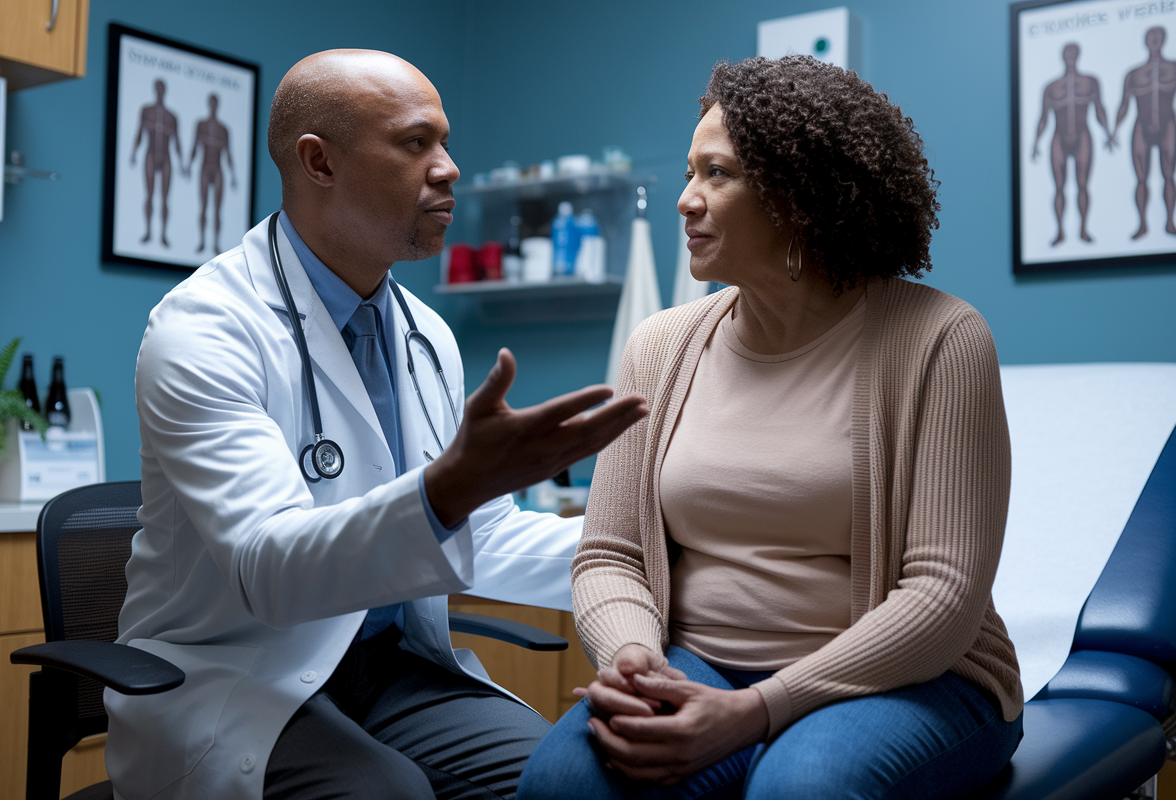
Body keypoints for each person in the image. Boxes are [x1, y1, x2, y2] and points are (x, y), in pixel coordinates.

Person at [107, 50, 647, 800]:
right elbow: (271, 572)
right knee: (385, 795)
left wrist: (652, 553)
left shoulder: (425, 334)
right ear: (318, 162)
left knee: (564, 779)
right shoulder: (205, 331)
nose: (450, 168)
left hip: (392, 671)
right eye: (416, 142)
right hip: (246, 675)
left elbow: (480, 536)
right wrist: (444, 491)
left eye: (446, 142)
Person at [519, 55, 1023, 800]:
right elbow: (611, 553)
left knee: (802, 786)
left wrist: (756, 712)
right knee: (563, 781)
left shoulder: (940, 339)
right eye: (689, 173)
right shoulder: (658, 347)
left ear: (801, 198)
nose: (686, 201)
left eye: (716, 175)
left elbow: (942, 599)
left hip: (913, 677)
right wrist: (633, 661)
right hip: (697, 666)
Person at [1031, 43, 1112, 246]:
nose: (1070, 55)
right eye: (1067, 52)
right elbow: (1043, 117)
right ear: (1062, 56)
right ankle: (1060, 231)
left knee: (1083, 185)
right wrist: (1036, 141)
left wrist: (1108, 132)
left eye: (1073, 52)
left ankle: (1083, 229)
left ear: (1078, 55)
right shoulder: (1051, 87)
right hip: (1059, 137)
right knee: (1059, 188)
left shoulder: (1090, 82)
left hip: (1082, 135)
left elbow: (1099, 109)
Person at [1111, 26, 1176, 239]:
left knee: (1169, 175)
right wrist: (1114, 129)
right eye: (1150, 37)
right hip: (1141, 127)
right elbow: (1124, 104)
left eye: (1158, 36)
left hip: (1168, 125)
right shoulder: (1133, 74)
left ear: (1164, 39)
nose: (1154, 40)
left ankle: (1168, 222)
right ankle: (1142, 224)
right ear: (1145, 41)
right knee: (1141, 179)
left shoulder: (1173, 68)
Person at [129, 79, 183, 247]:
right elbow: (139, 133)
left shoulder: (171, 117)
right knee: (150, 195)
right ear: (155, 90)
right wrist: (133, 153)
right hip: (150, 155)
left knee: (165, 198)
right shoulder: (147, 111)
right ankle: (148, 231)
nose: (159, 91)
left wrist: (182, 163)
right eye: (157, 88)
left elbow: (177, 141)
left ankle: (164, 234)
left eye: (162, 88)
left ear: (164, 91)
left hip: (166, 157)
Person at [189, 92, 236, 253]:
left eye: (215, 103)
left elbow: (228, 153)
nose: (213, 106)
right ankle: (201, 241)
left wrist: (233, 175)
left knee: (217, 210)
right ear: (209, 104)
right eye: (211, 103)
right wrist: (188, 165)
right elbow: (194, 147)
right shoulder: (200, 125)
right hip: (204, 168)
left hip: (218, 169)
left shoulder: (224, 130)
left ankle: (216, 243)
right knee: (203, 207)